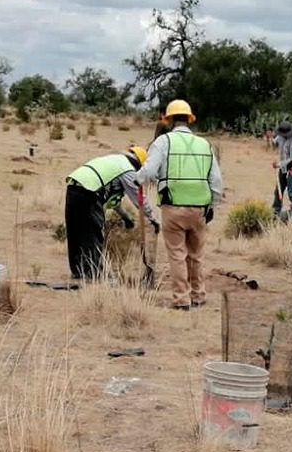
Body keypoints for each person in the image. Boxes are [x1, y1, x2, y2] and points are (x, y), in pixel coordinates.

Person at [136, 100, 224, 310]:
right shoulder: (205, 144)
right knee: (196, 255)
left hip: (173, 207)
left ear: (169, 119)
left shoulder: (163, 142)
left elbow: (148, 172)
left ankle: (181, 299)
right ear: (189, 119)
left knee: (177, 254)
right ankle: (198, 296)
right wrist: (212, 205)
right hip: (200, 208)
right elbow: (217, 181)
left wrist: (136, 178)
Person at [64, 146, 158, 281]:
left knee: (76, 233)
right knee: (93, 234)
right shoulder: (128, 170)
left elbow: (113, 201)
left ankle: (78, 272)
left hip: (74, 186)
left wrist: (125, 217)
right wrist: (153, 218)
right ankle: (94, 275)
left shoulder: (115, 161)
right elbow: (139, 199)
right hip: (90, 192)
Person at [271, 121, 292, 219]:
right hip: (282, 169)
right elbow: (275, 142)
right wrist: (271, 138)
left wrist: (279, 164)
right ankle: (275, 213)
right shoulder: (280, 137)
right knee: (278, 191)